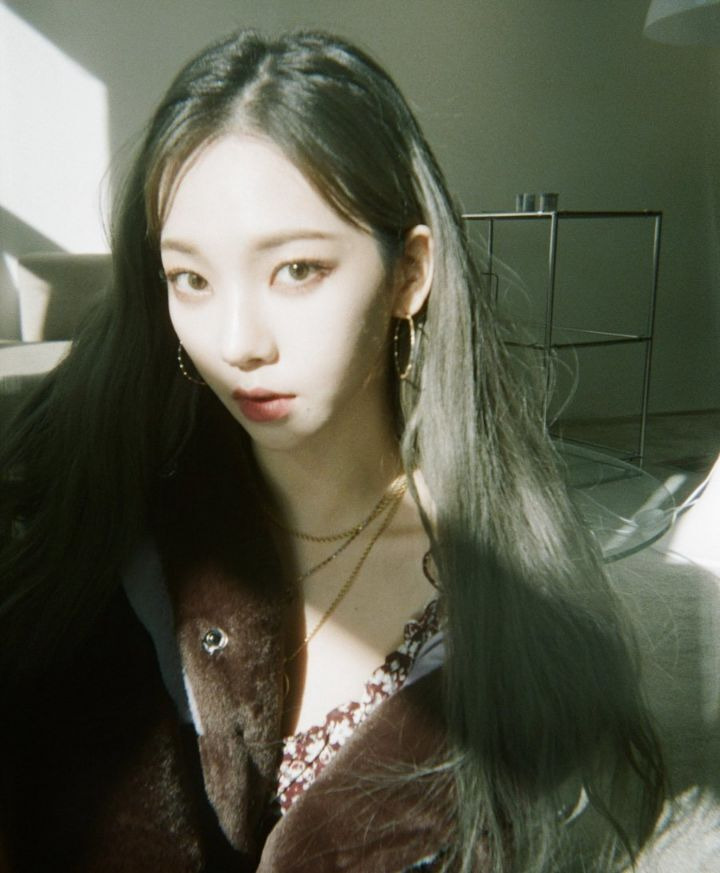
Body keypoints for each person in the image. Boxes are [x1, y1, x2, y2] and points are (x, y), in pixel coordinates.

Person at [0, 29, 665, 873]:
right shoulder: (109, 528)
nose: (238, 342)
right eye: (191, 279)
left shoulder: (507, 608)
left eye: (297, 269)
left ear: (408, 274)